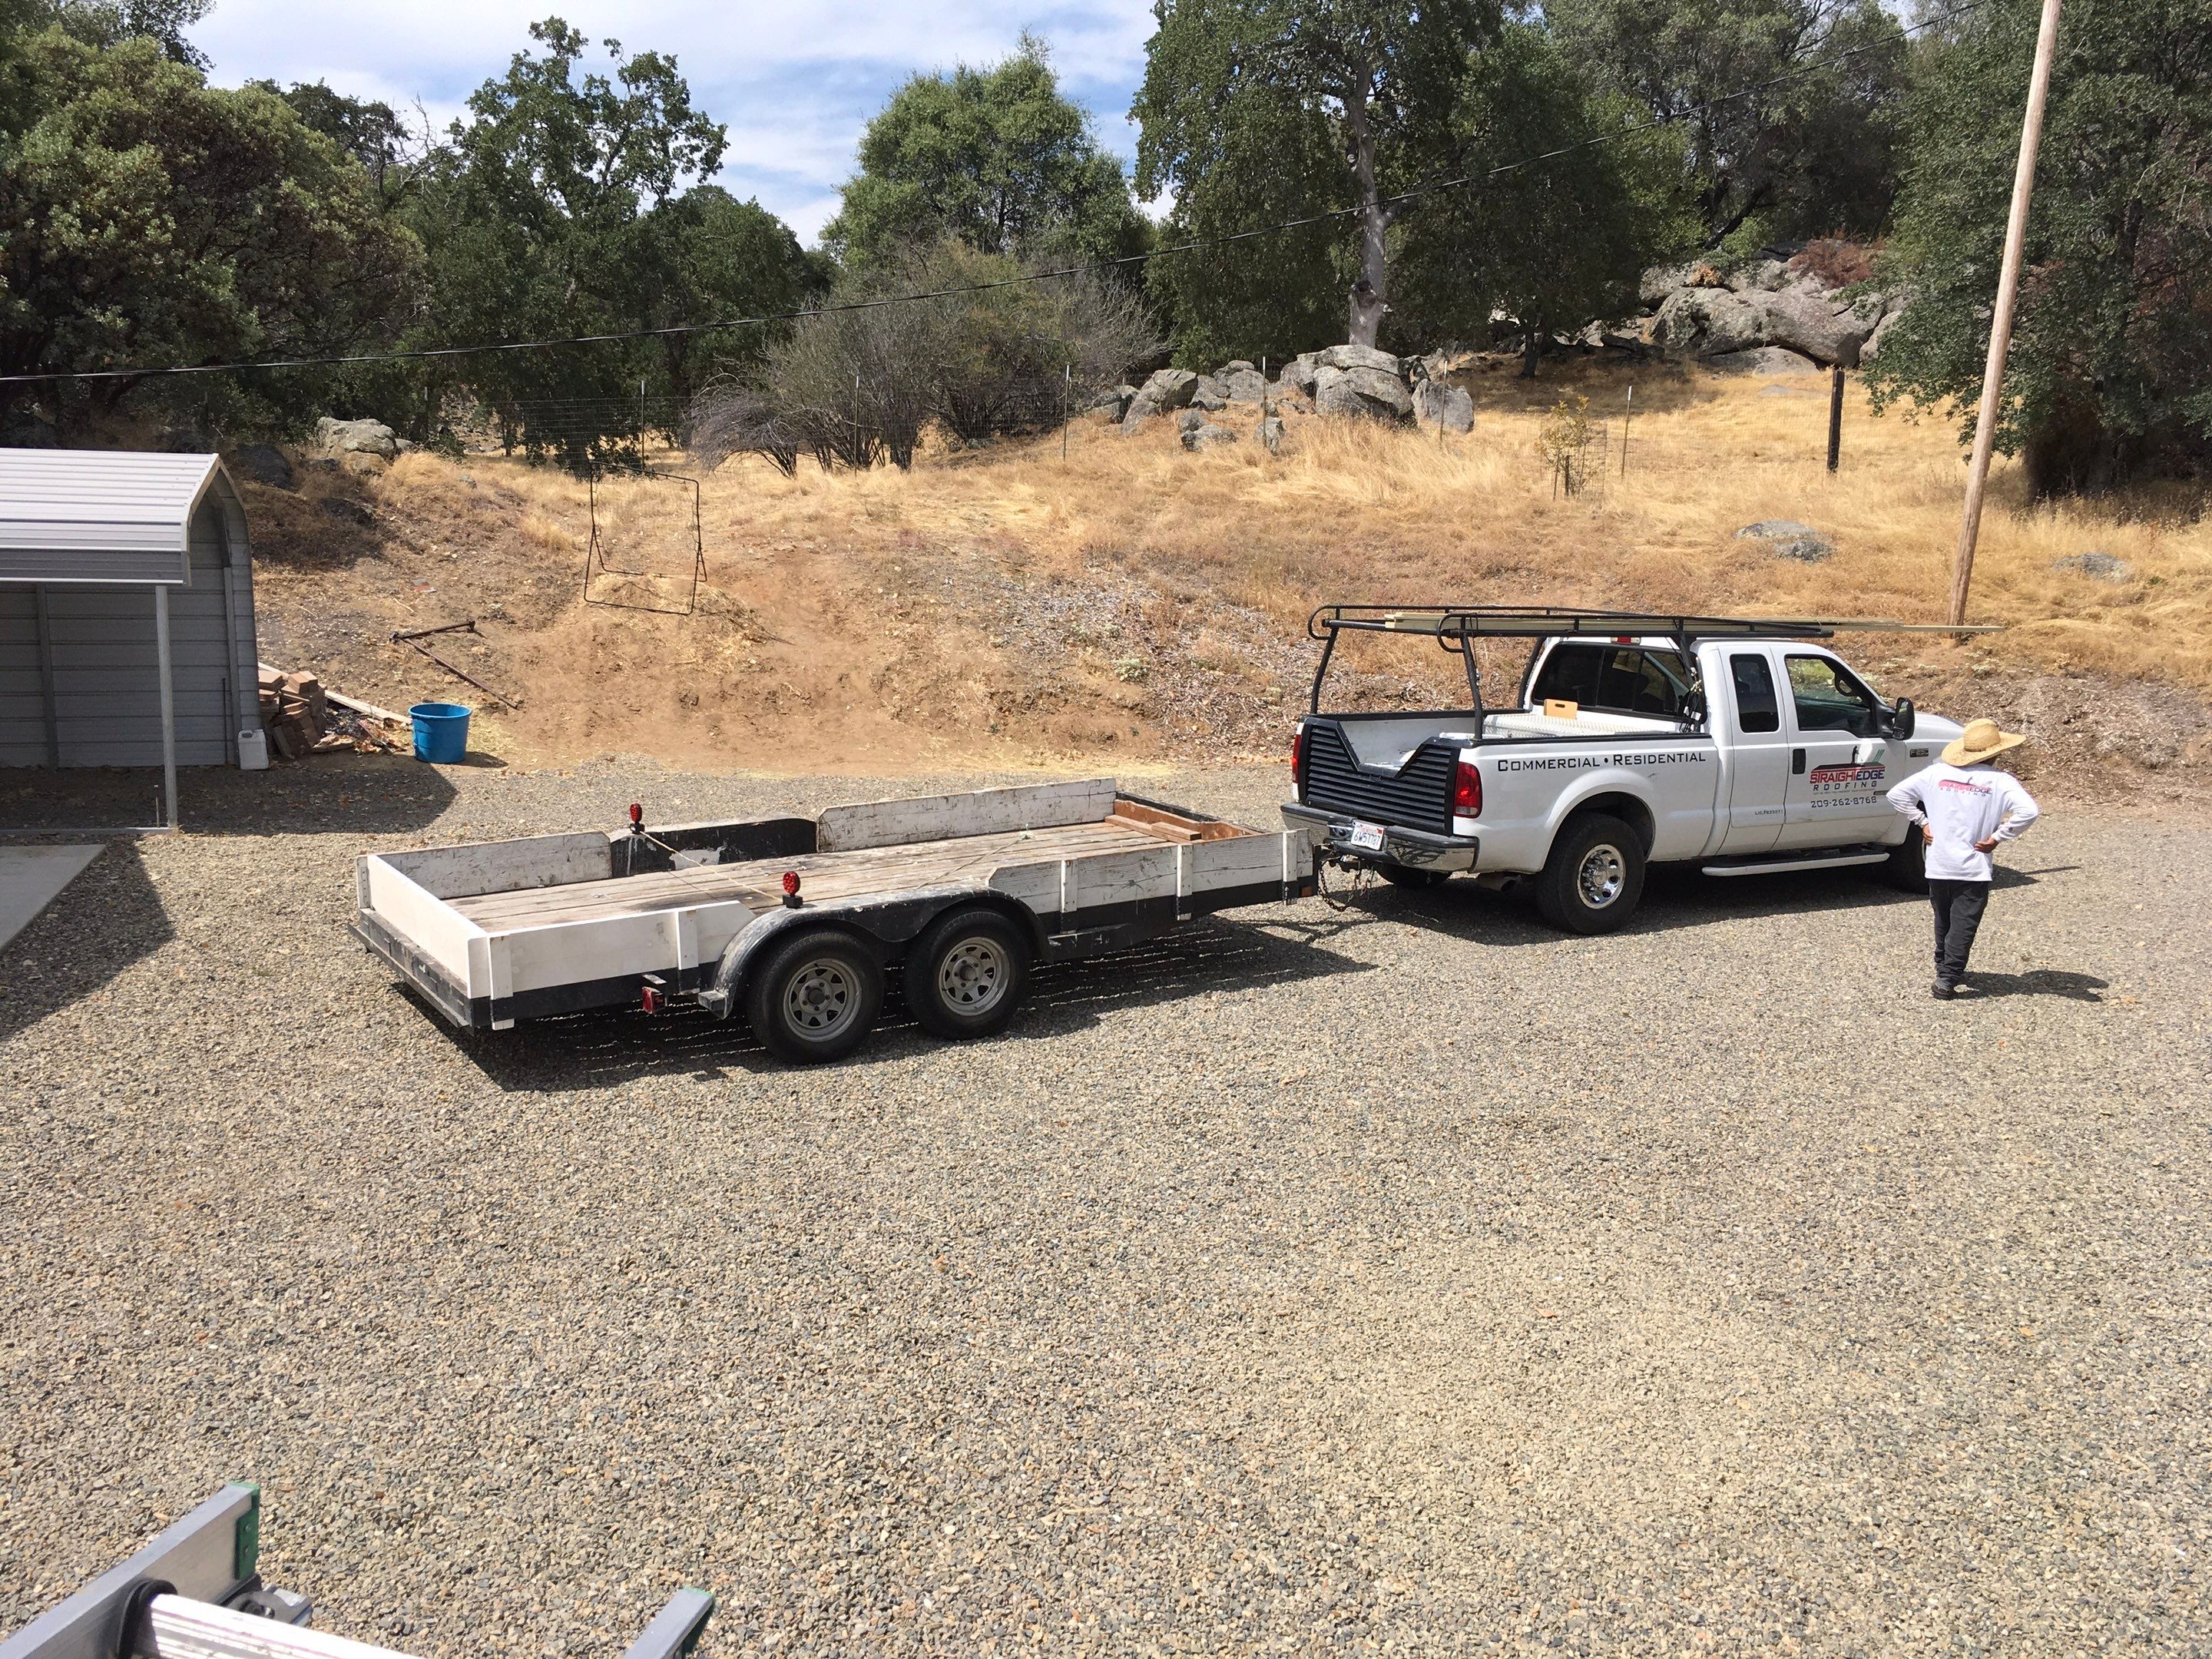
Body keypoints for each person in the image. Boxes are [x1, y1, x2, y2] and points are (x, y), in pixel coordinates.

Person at [1886, 718, 2041, 999]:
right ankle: (1948, 978)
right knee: (1964, 922)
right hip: (1973, 865)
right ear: (1995, 753)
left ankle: (1943, 964)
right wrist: (1999, 836)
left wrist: (1922, 822)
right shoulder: (2000, 781)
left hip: (1938, 862)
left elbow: (1897, 794)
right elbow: (2029, 811)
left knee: (1943, 917)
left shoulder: (1936, 773)